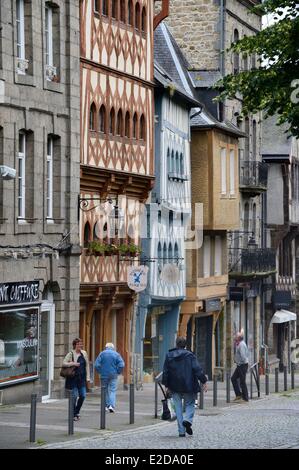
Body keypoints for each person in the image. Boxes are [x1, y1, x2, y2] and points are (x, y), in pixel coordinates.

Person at [162, 336, 208, 437]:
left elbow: (165, 372)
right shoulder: (190, 355)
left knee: (177, 408)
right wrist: (204, 381)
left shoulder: (169, 355)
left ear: (176, 344)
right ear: (185, 345)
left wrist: (166, 385)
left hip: (174, 386)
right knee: (190, 403)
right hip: (189, 385)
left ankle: (181, 431)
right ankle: (187, 420)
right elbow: (197, 369)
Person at [63, 338, 90, 420]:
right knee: (74, 396)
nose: (79, 345)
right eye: (78, 344)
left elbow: (87, 365)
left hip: (82, 379)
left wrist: (88, 377)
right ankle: (74, 414)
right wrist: (73, 363)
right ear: (74, 345)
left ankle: (76, 411)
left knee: (83, 395)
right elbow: (64, 363)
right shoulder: (71, 353)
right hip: (73, 379)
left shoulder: (84, 353)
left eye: (80, 344)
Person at [94, 343, 125, 413]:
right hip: (113, 375)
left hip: (104, 375)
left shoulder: (102, 354)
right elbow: (122, 364)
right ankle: (111, 406)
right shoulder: (116, 354)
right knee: (112, 390)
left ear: (106, 347)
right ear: (113, 348)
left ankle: (106, 406)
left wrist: (100, 371)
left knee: (104, 390)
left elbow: (96, 365)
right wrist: (118, 372)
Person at [231, 331, 249, 402]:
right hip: (240, 365)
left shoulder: (241, 345)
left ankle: (245, 398)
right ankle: (238, 395)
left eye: (236, 336)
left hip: (242, 365)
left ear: (238, 338)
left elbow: (243, 357)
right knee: (233, 378)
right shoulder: (239, 344)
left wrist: (239, 362)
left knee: (242, 382)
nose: (234, 337)